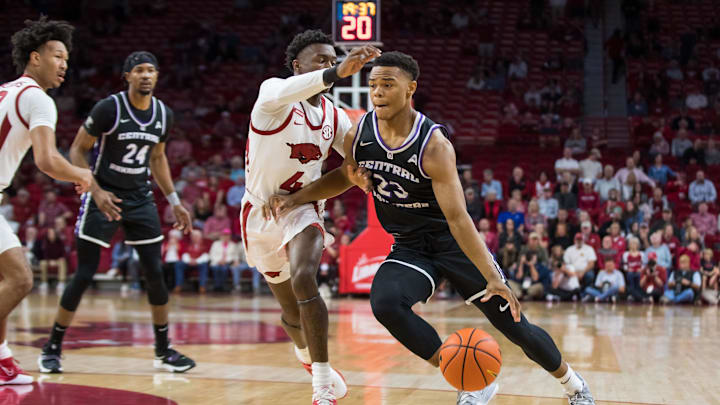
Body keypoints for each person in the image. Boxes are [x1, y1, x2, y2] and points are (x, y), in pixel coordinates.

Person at [270, 51, 594, 405]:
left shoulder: (434, 145)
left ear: (411, 89)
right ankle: (471, 382)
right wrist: (297, 197)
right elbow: (344, 177)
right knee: (386, 304)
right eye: (373, 84)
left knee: (516, 327)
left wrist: (493, 275)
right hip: (410, 246)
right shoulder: (360, 132)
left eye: (387, 84)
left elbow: (458, 219)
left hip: (451, 242)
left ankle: (574, 385)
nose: (377, 92)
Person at [241, 30, 377, 404]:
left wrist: (366, 170)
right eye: (321, 59)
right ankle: (306, 356)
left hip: (302, 206)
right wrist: (338, 73)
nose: (329, 65)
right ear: (297, 66)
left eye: (332, 60)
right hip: (260, 212)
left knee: (304, 278)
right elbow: (293, 87)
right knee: (291, 314)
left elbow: (355, 161)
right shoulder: (273, 96)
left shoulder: (335, 116)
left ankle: (321, 389)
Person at [38, 51, 194, 375]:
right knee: (84, 274)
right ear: (127, 76)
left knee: (155, 273)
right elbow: (78, 149)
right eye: (139, 70)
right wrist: (94, 189)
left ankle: (163, 351)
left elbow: (159, 158)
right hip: (103, 194)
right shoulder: (109, 107)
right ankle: (52, 346)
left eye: (152, 70)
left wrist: (175, 200)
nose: (147, 75)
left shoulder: (163, 114)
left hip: (140, 197)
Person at [0, 17, 93, 385]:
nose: (64, 65)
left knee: (11, 277)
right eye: (57, 56)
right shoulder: (37, 98)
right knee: (20, 279)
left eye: (67, 59)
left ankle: (3, 359)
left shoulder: (6, 90)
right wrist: (83, 174)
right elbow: (47, 160)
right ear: (34, 57)